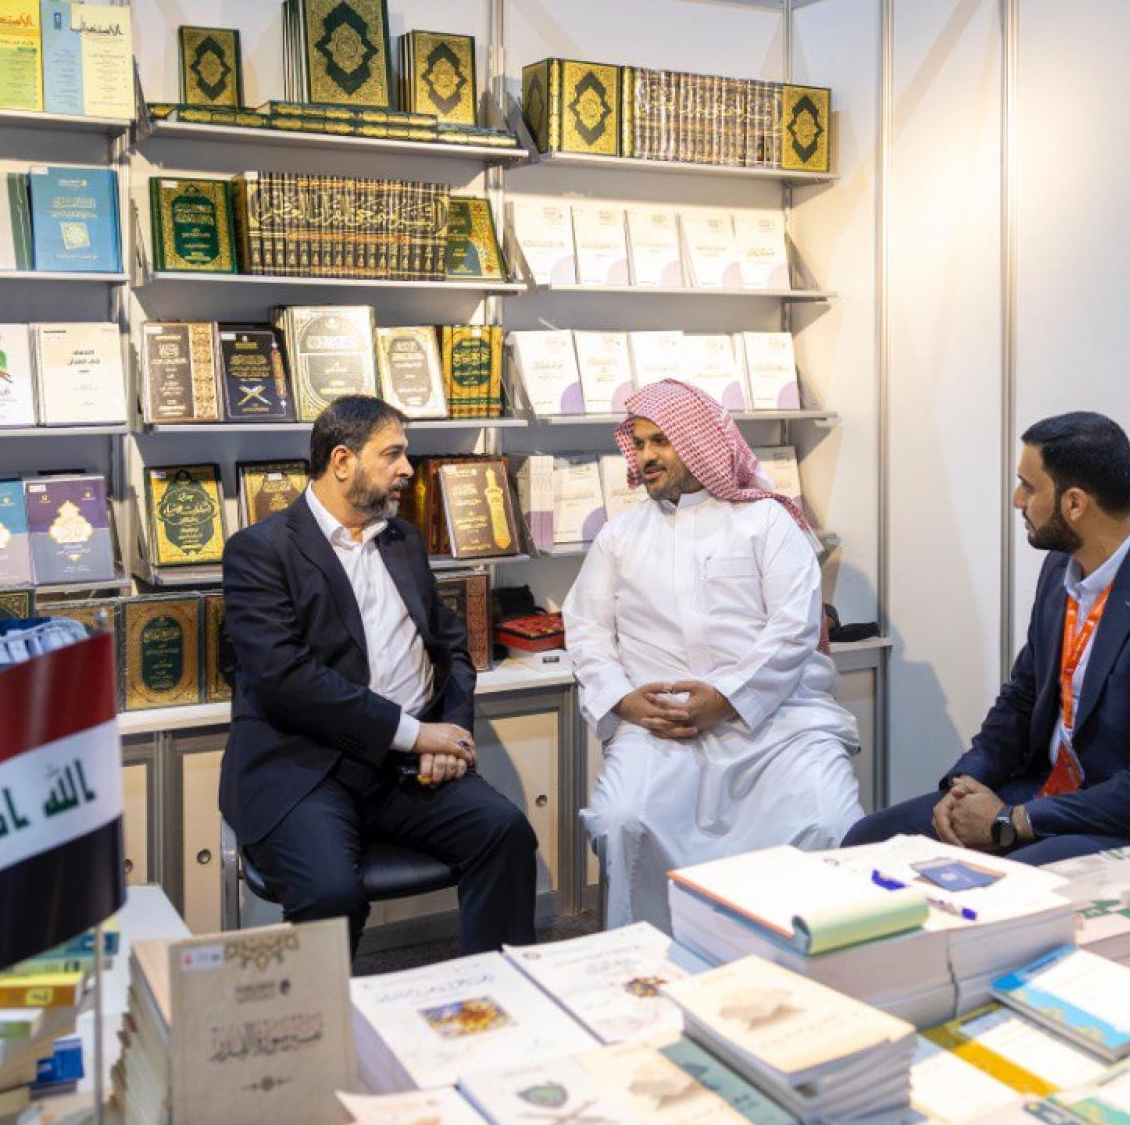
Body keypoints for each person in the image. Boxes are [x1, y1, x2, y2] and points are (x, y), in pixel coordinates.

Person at [843, 411, 1130, 863]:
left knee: (1003, 888)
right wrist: (965, 785)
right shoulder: (1062, 566)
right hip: (1051, 793)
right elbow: (1022, 700)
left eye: (1029, 486)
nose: (1017, 499)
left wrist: (1012, 822)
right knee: (869, 839)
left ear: (1074, 504)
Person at [218, 395, 538, 955]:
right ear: (342, 461)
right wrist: (416, 734)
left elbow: (453, 649)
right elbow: (285, 679)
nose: (407, 469)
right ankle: (327, 1012)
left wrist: (452, 738)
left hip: (407, 768)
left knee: (505, 833)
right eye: (392, 454)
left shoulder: (402, 540)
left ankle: (496, 993)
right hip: (308, 767)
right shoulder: (260, 551)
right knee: (330, 894)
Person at [567, 379, 865, 929]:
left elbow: (794, 628)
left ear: (699, 442)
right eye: (639, 443)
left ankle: (809, 953)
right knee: (620, 820)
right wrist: (624, 701)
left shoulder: (768, 522)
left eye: (661, 441)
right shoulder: (620, 536)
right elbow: (586, 630)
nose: (646, 456)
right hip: (660, 727)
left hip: (776, 724)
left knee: (832, 821)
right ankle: (649, 959)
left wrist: (727, 699)